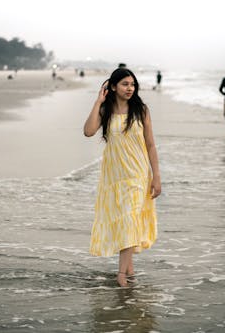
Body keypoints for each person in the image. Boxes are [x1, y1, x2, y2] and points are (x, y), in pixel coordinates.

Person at [83, 68, 161, 287]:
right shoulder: (105, 110)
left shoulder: (141, 110)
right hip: (114, 177)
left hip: (137, 174)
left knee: (129, 219)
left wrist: (157, 177)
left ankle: (121, 276)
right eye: (125, 84)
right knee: (127, 221)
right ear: (113, 86)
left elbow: (151, 145)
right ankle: (130, 270)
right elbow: (88, 131)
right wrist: (98, 101)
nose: (130, 88)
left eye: (133, 84)